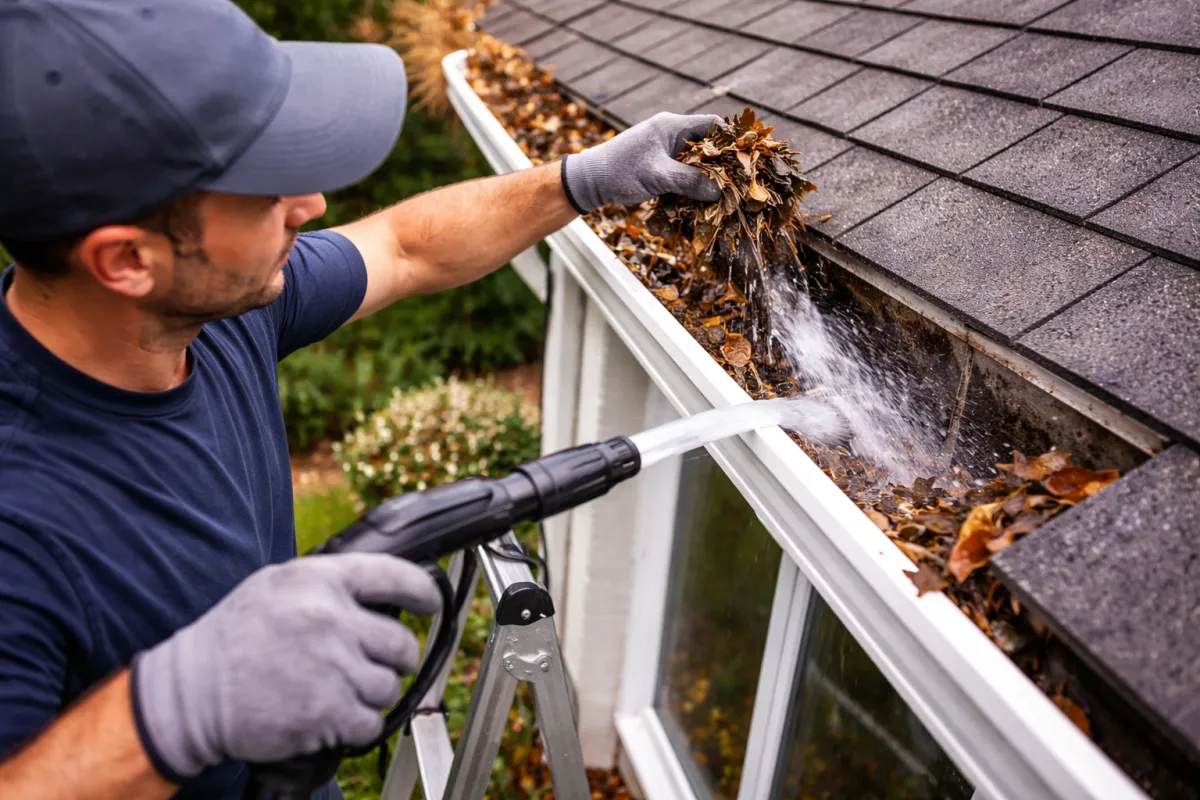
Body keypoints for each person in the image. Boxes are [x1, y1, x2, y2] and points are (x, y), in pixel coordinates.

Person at [0, 1, 721, 798]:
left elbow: (404, 247)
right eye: (265, 193)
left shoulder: (214, 311)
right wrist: (169, 714)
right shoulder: (21, 521)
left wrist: (577, 180)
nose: (308, 206)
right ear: (127, 261)